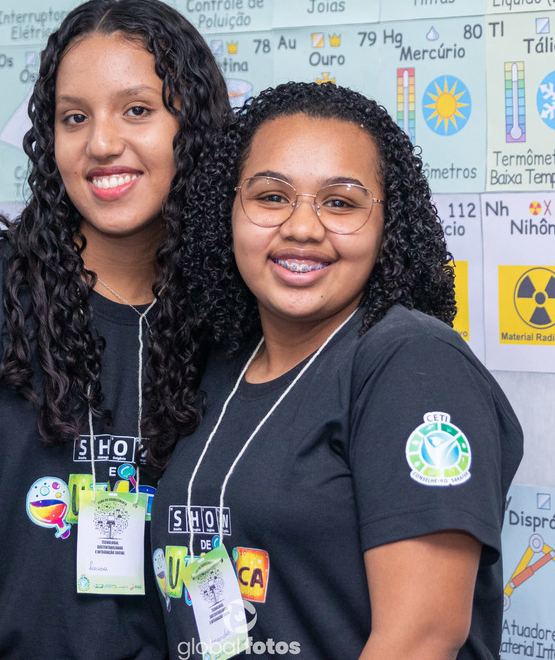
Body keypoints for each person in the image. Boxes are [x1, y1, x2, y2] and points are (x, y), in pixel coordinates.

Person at [0, 0, 231, 659]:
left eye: (137, 110)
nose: (102, 144)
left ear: (194, 126)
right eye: (74, 118)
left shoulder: (233, 315)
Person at [152, 81, 524, 660]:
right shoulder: (221, 362)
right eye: (271, 197)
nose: (302, 227)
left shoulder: (414, 364)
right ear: (228, 210)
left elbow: (420, 638)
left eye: (341, 203)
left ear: (388, 225)